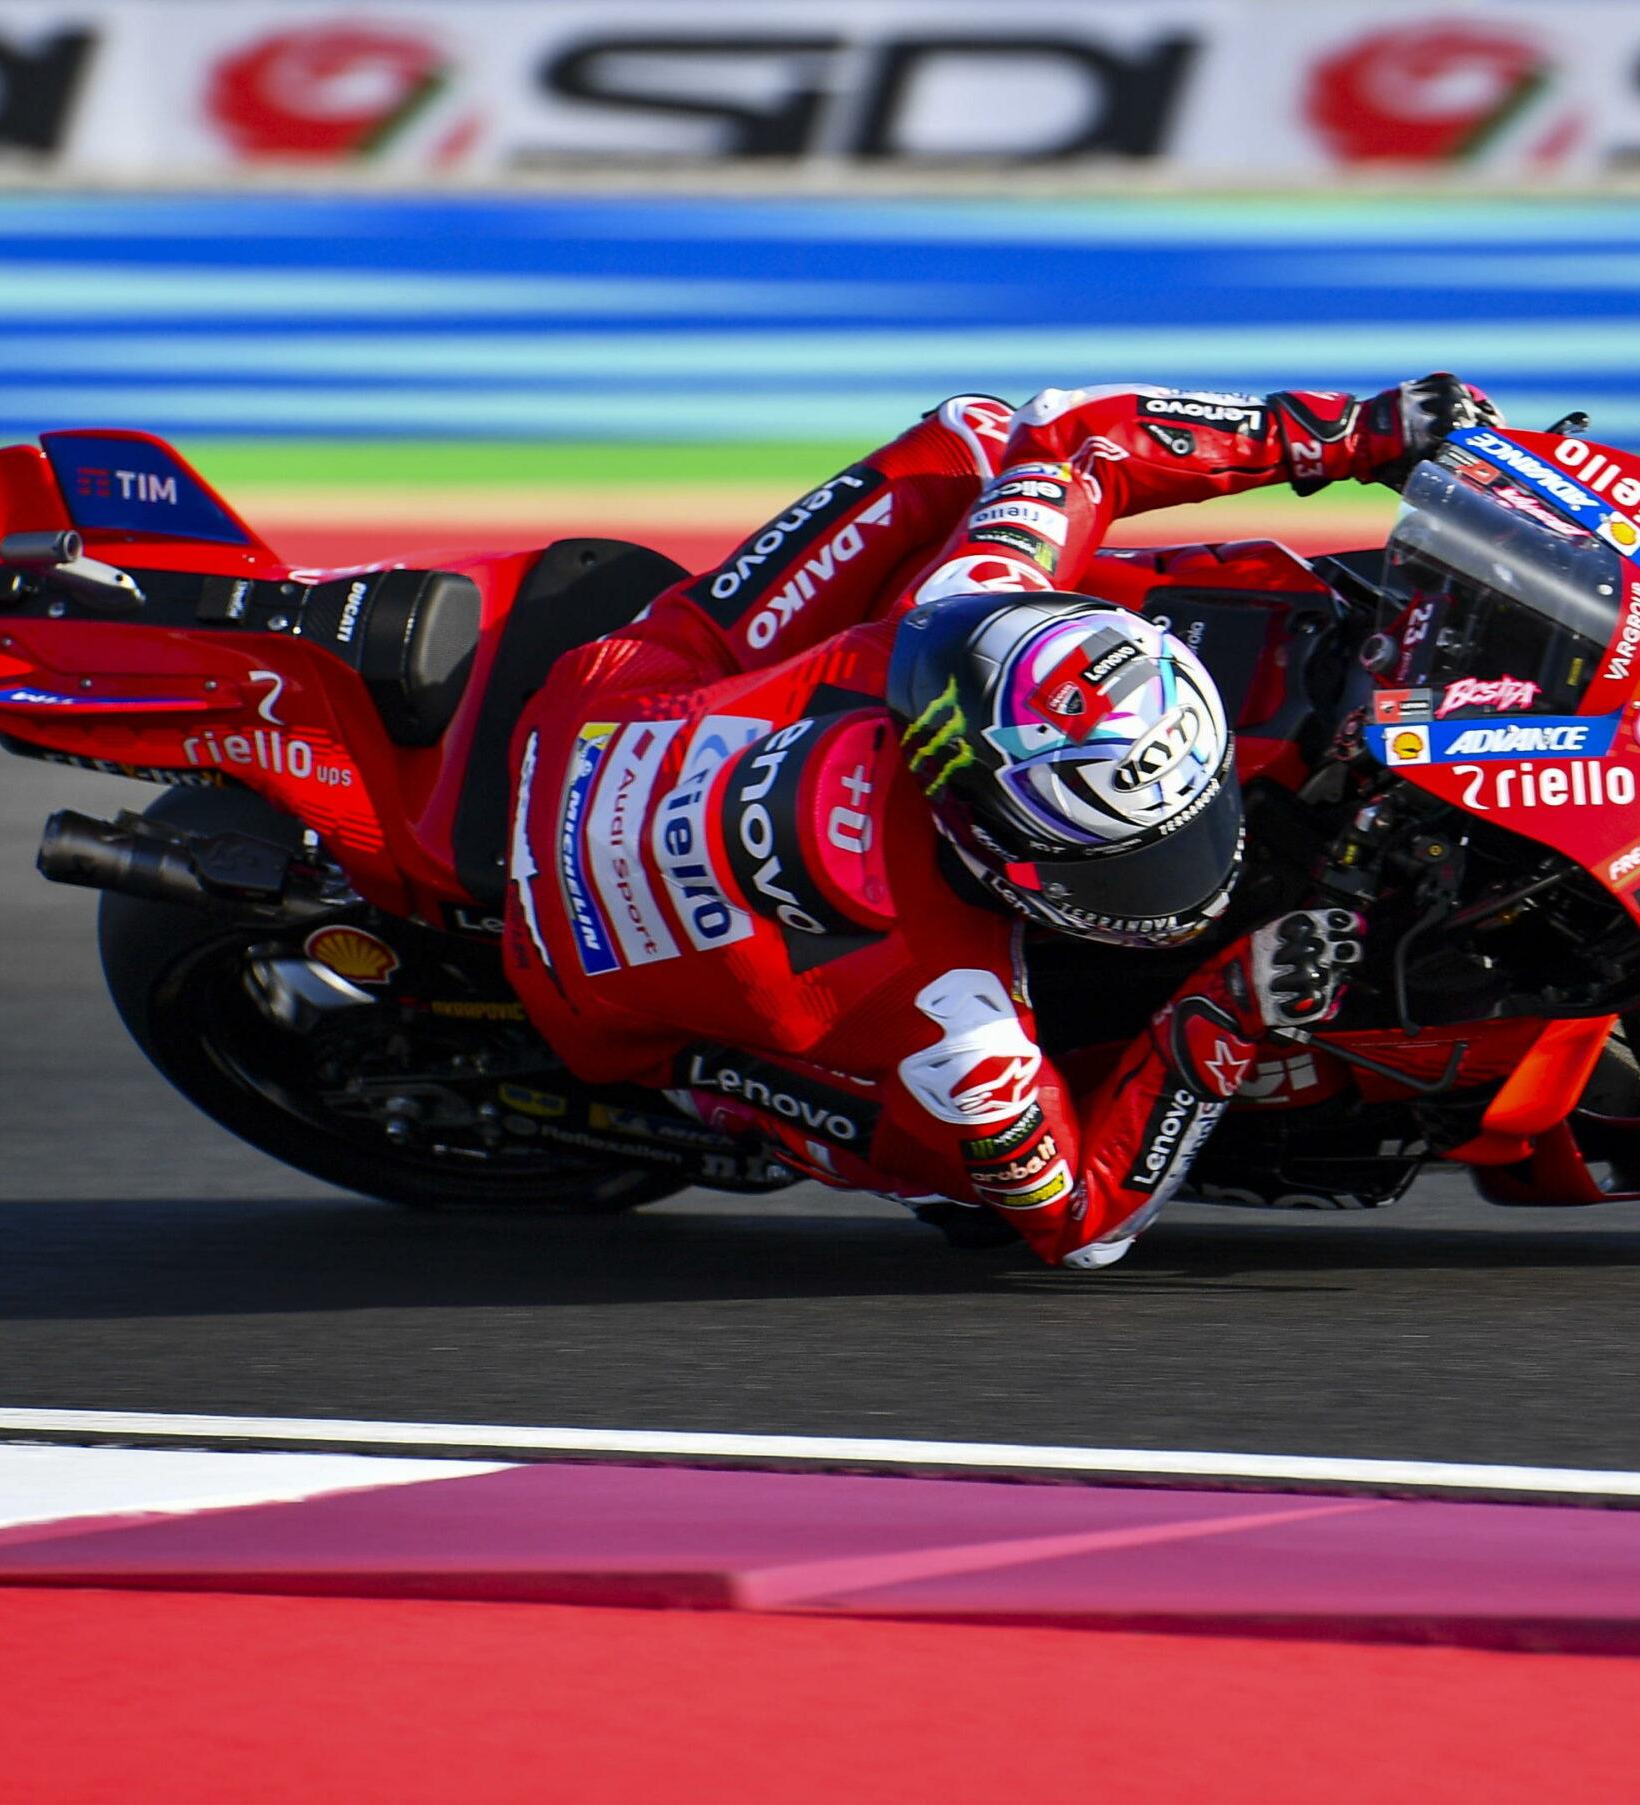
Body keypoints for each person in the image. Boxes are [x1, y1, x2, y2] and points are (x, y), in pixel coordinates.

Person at [503, 376, 1497, 1267]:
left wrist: (1369, 432)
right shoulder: (960, 1020)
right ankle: (700, 1091)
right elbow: (1083, 1224)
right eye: (1123, 864)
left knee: (972, 437)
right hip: (588, 994)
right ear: (991, 846)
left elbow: (1067, 432)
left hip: (614, 705)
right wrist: (1227, 1006)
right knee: (959, 1178)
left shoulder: (974, 603)